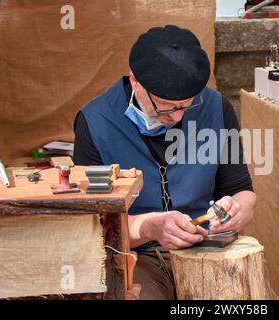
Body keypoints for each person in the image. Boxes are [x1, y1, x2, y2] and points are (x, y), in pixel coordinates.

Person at [73, 25, 256, 299]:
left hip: (206, 248)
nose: (178, 118)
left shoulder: (216, 107)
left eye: (187, 105)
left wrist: (237, 210)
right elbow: (94, 224)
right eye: (165, 106)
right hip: (136, 253)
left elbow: (241, 189)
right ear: (135, 82)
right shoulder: (96, 121)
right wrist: (150, 227)